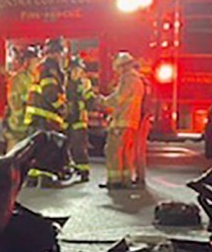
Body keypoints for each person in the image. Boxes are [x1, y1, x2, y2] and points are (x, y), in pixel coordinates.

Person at [24, 37, 69, 185]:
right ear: (57, 52)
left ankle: (32, 176)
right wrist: (61, 107)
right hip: (45, 116)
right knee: (46, 147)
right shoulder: (51, 67)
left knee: (35, 147)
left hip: (36, 115)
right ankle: (45, 177)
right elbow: (49, 91)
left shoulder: (41, 66)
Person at [103, 51, 146, 189]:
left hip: (122, 121)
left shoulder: (128, 79)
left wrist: (102, 101)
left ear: (123, 66)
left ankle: (114, 181)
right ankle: (125, 180)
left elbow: (118, 98)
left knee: (113, 151)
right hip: (131, 122)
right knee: (126, 153)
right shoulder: (138, 79)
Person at [62, 54, 98, 182]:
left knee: (79, 146)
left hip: (79, 119)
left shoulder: (84, 83)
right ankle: (65, 169)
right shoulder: (64, 81)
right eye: (74, 69)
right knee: (63, 146)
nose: (77, 72)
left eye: (79, 70)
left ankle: (83, 171)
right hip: (65, 119)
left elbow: (89, 98)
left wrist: (90, 101)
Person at [3, 45, 37, 151]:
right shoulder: (18, 78)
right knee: (13, 152)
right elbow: (14, 99)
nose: (37, 63)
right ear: (27, 62)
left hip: (30, 123)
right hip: (17, 124)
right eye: (34, 61)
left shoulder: (36, 77)